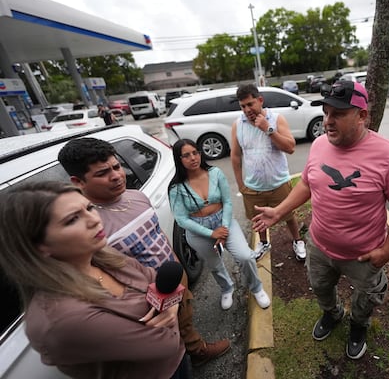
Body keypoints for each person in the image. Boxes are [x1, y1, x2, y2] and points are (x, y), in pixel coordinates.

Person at [252, 80, 389, 360]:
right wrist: (279, 211)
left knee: (366, 297)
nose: (328, 121)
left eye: (338, 114)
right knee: (320, 287)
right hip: (319, 246)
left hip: (363, 254)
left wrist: (388, 249)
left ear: (362, 115)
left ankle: (358, 325)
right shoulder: (318, 145)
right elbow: (307, 183)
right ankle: (333, 313)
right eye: (326, 112)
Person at [57, 138, 230, 366]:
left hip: (175, 276)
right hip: (145, 299)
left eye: (117, 167)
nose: (117, 176)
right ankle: (187, 357)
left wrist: (178, 266)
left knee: (185, 320)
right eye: (102, 173)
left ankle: (196, 349)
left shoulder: (136, 197)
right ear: (78, 181)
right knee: (166, 343)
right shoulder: (89, 224)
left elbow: (159, 235)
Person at [0, 182, 186, 378]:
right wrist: (171, 307)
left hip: (176, 362)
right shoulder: (64, 318)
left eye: (89, 208)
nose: (95, 220)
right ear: (37, 246)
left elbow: (154, 278)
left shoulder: (101, 255)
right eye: (72, 219)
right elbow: (165, 345)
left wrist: (170, 305)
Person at [168, 139, 270, 311]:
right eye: (186, 155)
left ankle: (256, 287)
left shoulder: (215, 173)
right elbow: (182, 220)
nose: (193, 158)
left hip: (224, 221)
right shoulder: (176, 187)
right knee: (214, 264)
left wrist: (223, 229)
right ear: (179, 159)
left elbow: (228, 202)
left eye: (195, 152)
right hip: (198, 231)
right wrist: (211, 234)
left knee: (245, 256)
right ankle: (226, 288)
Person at [231, 83, 306, 262]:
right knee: (258, 219)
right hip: (253, 186)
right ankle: (264, 242)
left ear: (260, 100)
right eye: (243, 106)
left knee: (289, 216)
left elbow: (290, 148)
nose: (247, 109)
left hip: (278, 182)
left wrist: (268, 129)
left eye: (250, 104)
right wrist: (241, 185)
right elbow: (235, 156)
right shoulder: (238, 125)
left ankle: (297, 240)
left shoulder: (276, 119)